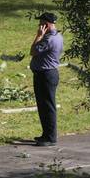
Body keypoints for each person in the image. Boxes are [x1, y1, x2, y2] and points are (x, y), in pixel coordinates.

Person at [29, 12, 64, 146]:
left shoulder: (48, 39)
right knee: (43, 105)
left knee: (48, 106)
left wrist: (38, 35)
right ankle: (46, 134)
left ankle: (50, 138)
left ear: (47, 24)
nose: (39, 26)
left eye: (41, 23)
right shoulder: (58, 36)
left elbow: (33, 51)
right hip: (48, 74)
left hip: (45, 75)